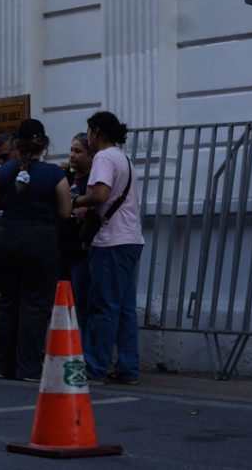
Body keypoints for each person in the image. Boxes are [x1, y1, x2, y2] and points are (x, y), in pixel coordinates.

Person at [0, 119, 71, 381]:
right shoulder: (55, 173)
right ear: (44, 144)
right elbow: (65, 212)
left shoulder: (5, 170)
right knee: (34, 305)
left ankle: (3, 365)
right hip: (39, 241)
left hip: (7, 238)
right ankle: (29, 368)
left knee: (8, 303)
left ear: (17, 144)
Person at [72, 111, 143, 385]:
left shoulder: (103, 157)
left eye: (88, 131)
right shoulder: (124, 158)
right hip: (131, 239)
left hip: (111, 241)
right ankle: (128, 367)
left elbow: (100, 195)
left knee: (103, 307)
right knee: (124, 309)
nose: (87, 136)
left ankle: (94, 367)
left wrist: (77, 202)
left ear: (96, 131)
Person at [60, 132, 93, 330]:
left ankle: (82, 349)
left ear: (90, 156)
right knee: (62, 302)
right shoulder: (65, 177)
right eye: (71, 150)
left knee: (82, 302)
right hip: (62, 249)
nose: (72, 155)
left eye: (78, 151)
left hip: (82, 250)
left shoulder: (93, 180)